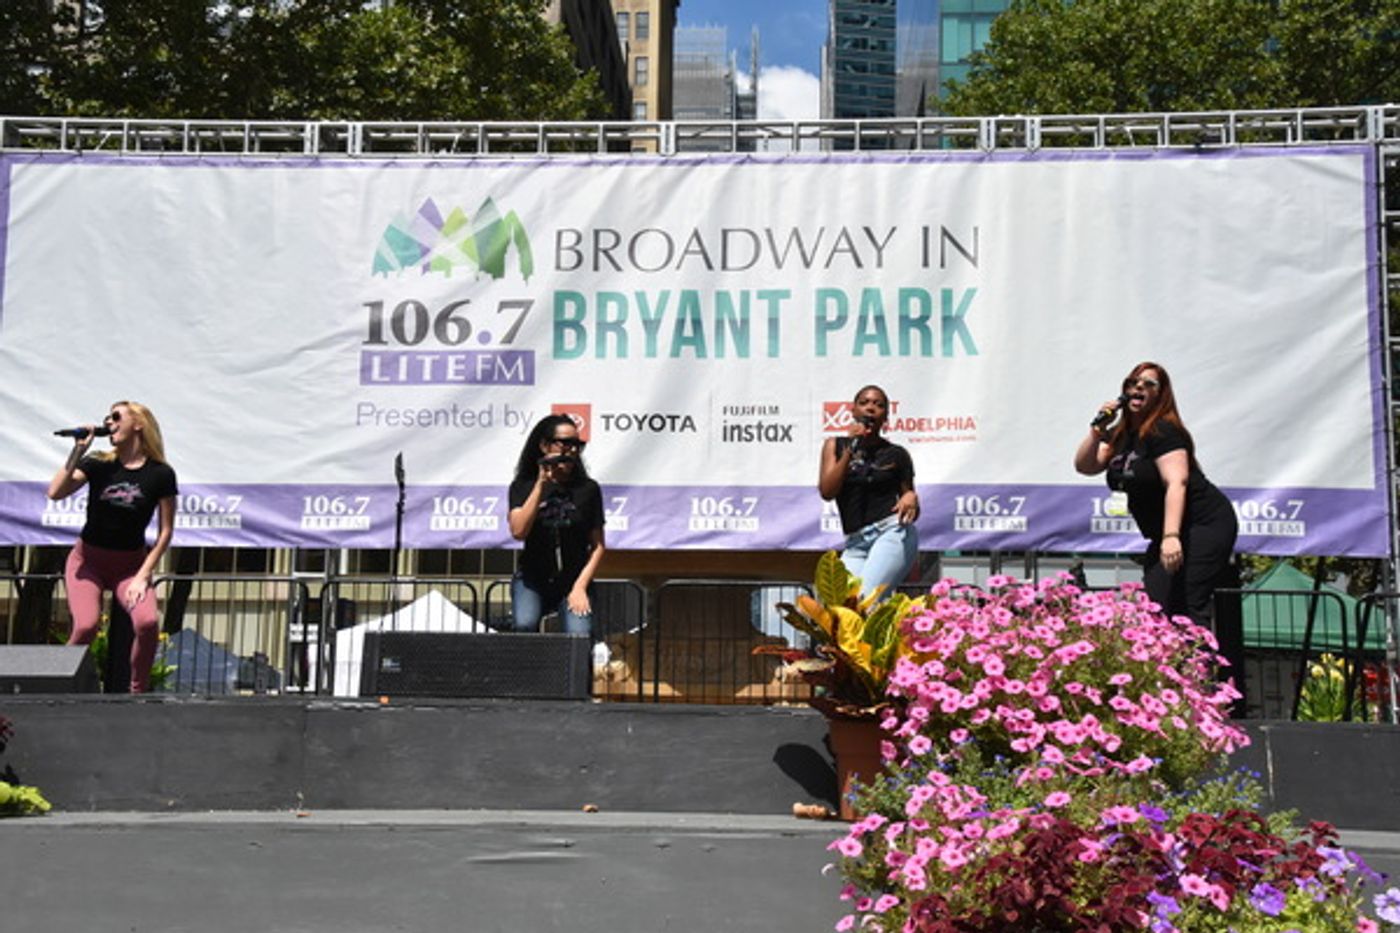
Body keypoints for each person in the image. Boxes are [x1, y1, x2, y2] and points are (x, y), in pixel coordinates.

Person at [1073, 361, 1239, 629]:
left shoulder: (1164, 430)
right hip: (1165, 532)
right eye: (1132, 382)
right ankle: (1169, 668)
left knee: (1186, 602)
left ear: (1160, 395)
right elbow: (1085, 466)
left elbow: (1177, 482)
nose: (1138, 386)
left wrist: (1171, 537)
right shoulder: (1121, 435)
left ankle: (1199, 667)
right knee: (1158, 602)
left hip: (1202, 525)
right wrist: (1096, 431)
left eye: (1148, 384)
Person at [48, 401, 178, 693]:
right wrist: (78, 450)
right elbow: (55, 492)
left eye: (117, 417)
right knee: (85, 627)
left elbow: (166, 532)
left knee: (146, 623)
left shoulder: (160, 474)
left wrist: (143, 576)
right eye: (108, 418)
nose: (110, 423)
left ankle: (138, 692)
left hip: (130, 566)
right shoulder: (98, 463)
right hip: (88, 563)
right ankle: (56, 686)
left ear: (138, 424)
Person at [507, 414, 606, 634]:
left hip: (573, 577)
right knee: (524, 624)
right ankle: (529, 669)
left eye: (577, 445)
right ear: (544, 445)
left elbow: (598, 545)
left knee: (578, 634)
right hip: (533, 577)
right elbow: (518, 531)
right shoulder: (523, 485)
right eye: (564, 443)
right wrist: (541, 485)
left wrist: (580, 587)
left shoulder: (588, 489)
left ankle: (575, 669)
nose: (570, 450)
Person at [819, 385, 920, 597]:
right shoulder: (835, 445)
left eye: (879, 405)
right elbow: (828, 491)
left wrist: (911, 497)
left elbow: (911, 508)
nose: (871, 408)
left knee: (865, 603)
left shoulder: (897, 454)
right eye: (864, 403)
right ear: (853, 411)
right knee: (840, 611)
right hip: (855, 543)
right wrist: (850, 449)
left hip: (891, 532)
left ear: (886, 418)